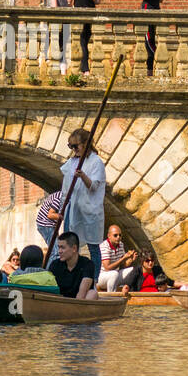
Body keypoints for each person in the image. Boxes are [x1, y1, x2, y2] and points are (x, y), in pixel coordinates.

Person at [59, 128, 106, 275]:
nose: (73, 150)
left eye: (76, 146)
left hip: (89, 210)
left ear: (86, 144)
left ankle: (95, 279)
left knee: (93, 246)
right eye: (70, 146)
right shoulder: (72, 162)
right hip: (72, 209)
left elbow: (94, 186)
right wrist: (62, 208)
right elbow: (65, 189)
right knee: (68, 244)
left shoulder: (96, 162)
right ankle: (71, 275)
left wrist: (82, 176)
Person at [133, 0, 165, 75]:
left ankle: (154, 65)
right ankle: (150, 69)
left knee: (148, 40)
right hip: (157, 8)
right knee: (151, 38)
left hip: (148, 8)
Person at [70, 0, 102, 75]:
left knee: (81, 40)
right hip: (90, 13)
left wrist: (75, 0)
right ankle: (85, 67)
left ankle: (85, 69)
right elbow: (98, 0)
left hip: (79, 13)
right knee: (86, 39)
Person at [48, 231, 98, 299]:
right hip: (59, 302)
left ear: (74, 248)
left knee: (92, 294)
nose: (59, 251)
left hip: (79, 304)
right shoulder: (55, 265)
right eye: (59, 247)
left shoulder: (87, 264)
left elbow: (82, 293)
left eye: (62, 247)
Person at [47, 0, 72, 74]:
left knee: (53, 46)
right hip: (66, 22)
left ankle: (54, 69)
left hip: (56, 23)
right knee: (62, 47)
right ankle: (63, 71)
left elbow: (54, 7)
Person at [96, 224, 132, 291]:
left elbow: (122, 265)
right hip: (102, 277)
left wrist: (130, 260)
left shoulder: (121, 244)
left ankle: (130, 291)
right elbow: (107, 268)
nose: (118, 237)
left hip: (116, 274)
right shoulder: (104, 246)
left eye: (120, 235)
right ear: (109, 236)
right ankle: (111, 296)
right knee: (114, 274)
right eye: (115, 235)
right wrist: (123, 258)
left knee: (133, 270)